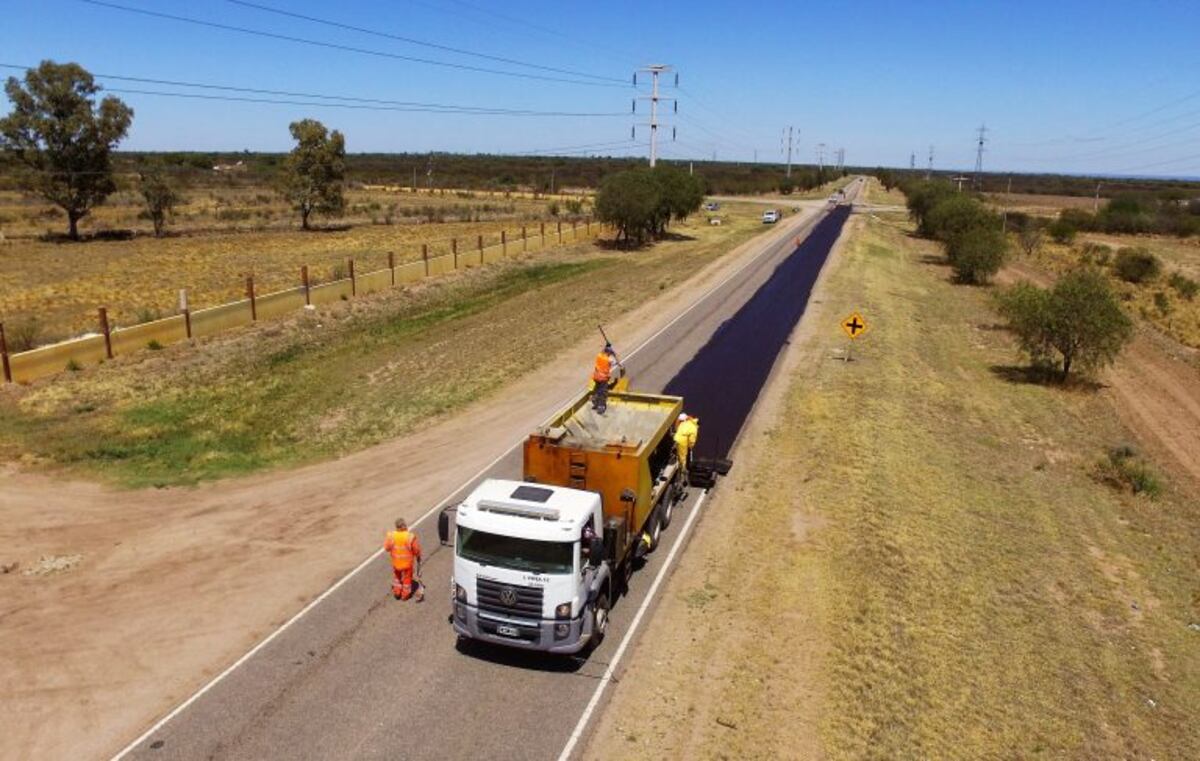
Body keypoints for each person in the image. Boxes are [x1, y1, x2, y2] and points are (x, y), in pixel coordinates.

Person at [384, 518, 424, 601]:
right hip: (407, 564)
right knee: (407, 580)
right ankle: (405, 595)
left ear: (396, 527)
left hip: (396, 563)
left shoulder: (391, 536)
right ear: (404, 526)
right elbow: (416, 549)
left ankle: (397, 592)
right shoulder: (410, 536)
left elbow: (387, 548)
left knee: (397, 578)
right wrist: (418, 557)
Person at [590, 342, 623, 413]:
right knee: (603, 393)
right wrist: (614, 353)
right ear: (609, 353)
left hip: (596, 377)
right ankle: (601, 407)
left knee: (597, 390)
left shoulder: (599, 356)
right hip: (603, 378)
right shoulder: (609, 360)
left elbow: (602, 351)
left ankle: (595, 401)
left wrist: (607, 346)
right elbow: (617, 361)